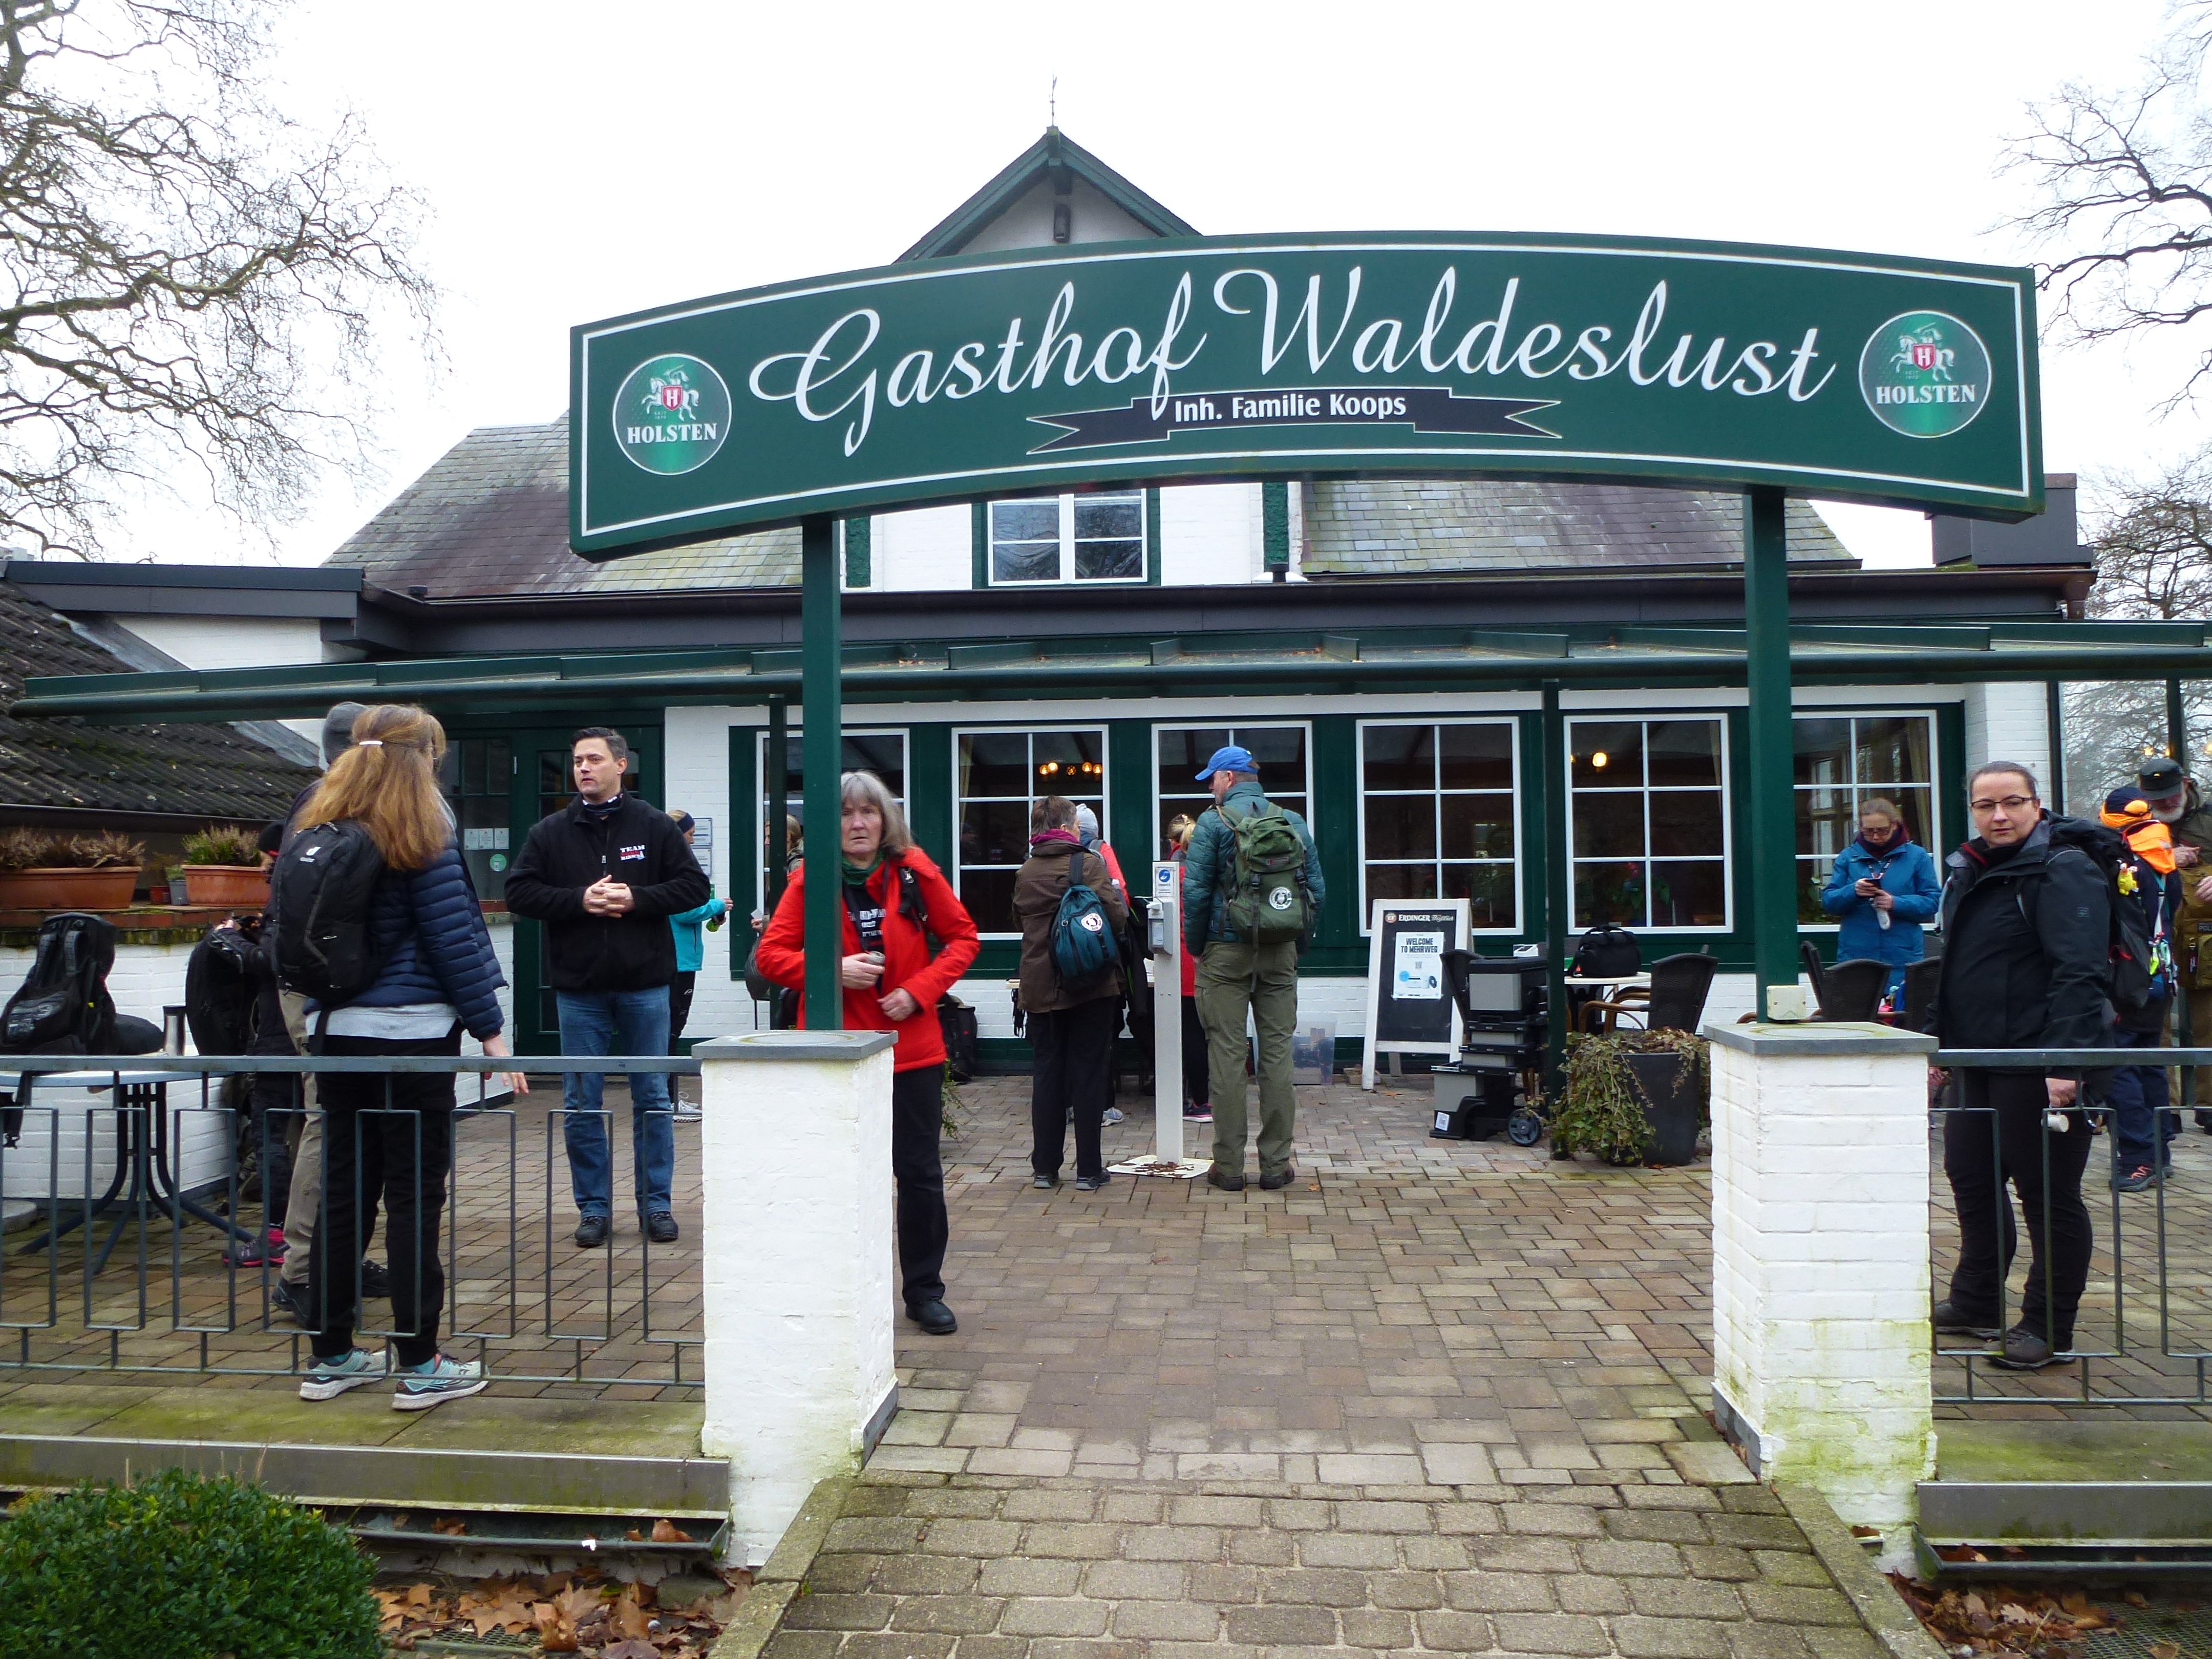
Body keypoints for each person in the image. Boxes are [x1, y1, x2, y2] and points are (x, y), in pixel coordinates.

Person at [292, 703, 525, 1411]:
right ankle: (421, 1364)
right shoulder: (423, 829)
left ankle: (331, 1356)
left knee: (344, 1194)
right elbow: (454, 940)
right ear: (422, 757)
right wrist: (491, 1032)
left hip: (337, 1034)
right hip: (413, 1041)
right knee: (413, 1198)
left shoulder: (322, 819)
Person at [754, 771, 979, 1334]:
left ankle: (924, 1292)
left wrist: (920, 990)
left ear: (885, 820)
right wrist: (831, 971)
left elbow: (963, 938)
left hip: (911, 1051)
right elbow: (771, 957)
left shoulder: (914, 871)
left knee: (920, 1175)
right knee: (836, 1175)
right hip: (838, 1053)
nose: (857, 823)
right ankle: (840, 1292)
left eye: (868, 812)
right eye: (845, 813)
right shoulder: (810, 880)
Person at [1931, 762, 2108, 1371]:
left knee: (2048, 1194)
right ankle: (1977, 1300)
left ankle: (2048, 1327)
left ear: (2037, 804)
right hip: (1977, 1058)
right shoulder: (1975, 869)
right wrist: (1939, 1048)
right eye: (1986, 805)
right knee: (1971, 1175)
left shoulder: (2063, 869)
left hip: (2040, 1063)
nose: (1999, 816)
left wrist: (2064, 1061)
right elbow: (1957, 967)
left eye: (2012, 802)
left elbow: (2081, 970)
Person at [505, 727, 707, 1249]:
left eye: (594, 759)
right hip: (580, 991)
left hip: (646, 987)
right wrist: (579, 901)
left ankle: (656, 1205)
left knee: (653, 1098)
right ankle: (593, 1209)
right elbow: (519, 892)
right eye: (578, 761)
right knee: (581, 1101)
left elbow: (694, 887)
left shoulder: (654, 825)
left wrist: (637, 899)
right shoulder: (551, 832)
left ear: (621, 765)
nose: (583, 769)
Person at [271, 700, 382, 1323]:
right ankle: (303, 1272)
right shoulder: (330, 804)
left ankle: (339, 1257)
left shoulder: (320, 802)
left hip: (322, 984)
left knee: (347, 1122)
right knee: (329, 1121)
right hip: (320, 989)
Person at [1182, 745, 1324, 1192]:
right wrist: (1297, 945)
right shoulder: (1292, 820)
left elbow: (1196, 893)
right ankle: (1276, 1167)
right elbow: (1316, 890)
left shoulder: (1212, 823)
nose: (1210, 786)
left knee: (1226, 1055)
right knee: (1277, 1055)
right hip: (1280, 950)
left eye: (1213, 778)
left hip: (1225, 951)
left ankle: (1228, 1168)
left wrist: (1197, 947)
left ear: (1229, 778)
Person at [1014, 796, 1128, 1191]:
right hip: (1089, 985)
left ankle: (1045, 1169)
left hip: (1039, 985)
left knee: (1048, 1074)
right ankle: (1089, 1170)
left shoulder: (1026, 871)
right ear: (1066, 828)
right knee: (1088, 1073)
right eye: (1077, 825)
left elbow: (1019, 919)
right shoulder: (1088, 864)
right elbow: (1116, 917)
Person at [2100, 789, 2180, 1192]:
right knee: (2149, 1063)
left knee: (2119, 1066)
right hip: (2162, 975)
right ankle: (2160, 1151)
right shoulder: (2164, 856)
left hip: (2129, 980)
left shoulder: (2123, 862)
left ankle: (2138, 1157)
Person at [2139, 755, 2212, 1110]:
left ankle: (2210, 1108)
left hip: (2206, 937)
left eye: (2170, 794)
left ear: (2185, 784)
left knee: (2210, 1025)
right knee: (2155, 1027)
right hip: (2155, 936)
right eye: (2157, 798)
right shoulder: (2133, 821)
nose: (2166, 802)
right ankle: (2162, 1110)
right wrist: (2166, 857)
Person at [1819, 798, 1942, 1002]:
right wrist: (1853, 891)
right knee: (1857, 1016)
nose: (1875, 837)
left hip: (1902, 959)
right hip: (1857, 958)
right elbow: (1829, 902)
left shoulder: (1917, 857)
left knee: (1900, 1015)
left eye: (1882, 831)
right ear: (1860, 827)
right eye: (1869, 831)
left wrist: (1895, 903)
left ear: (1895, 825)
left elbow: (1932, 902)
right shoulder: (1848, 857)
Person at [663, 810, 729, 1050]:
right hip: (678, 961)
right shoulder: (672, 868)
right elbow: (684, 911)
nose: (692, 841)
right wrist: (717, 905)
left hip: (676, 958)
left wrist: (712, 913)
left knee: (670, 1024)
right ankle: (664, 1074)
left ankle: (664, 1073)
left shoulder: (669, 865)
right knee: (674, 1024)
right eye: (690, 834)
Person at [1168, 816, 1209, 1124]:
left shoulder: (1170, 872)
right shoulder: (1207, 868)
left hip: (1180, 962)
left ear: (1173, 842)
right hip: (1210, 959)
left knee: (1188, 1034)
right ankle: (1207, 1098)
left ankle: (1198, 1101)